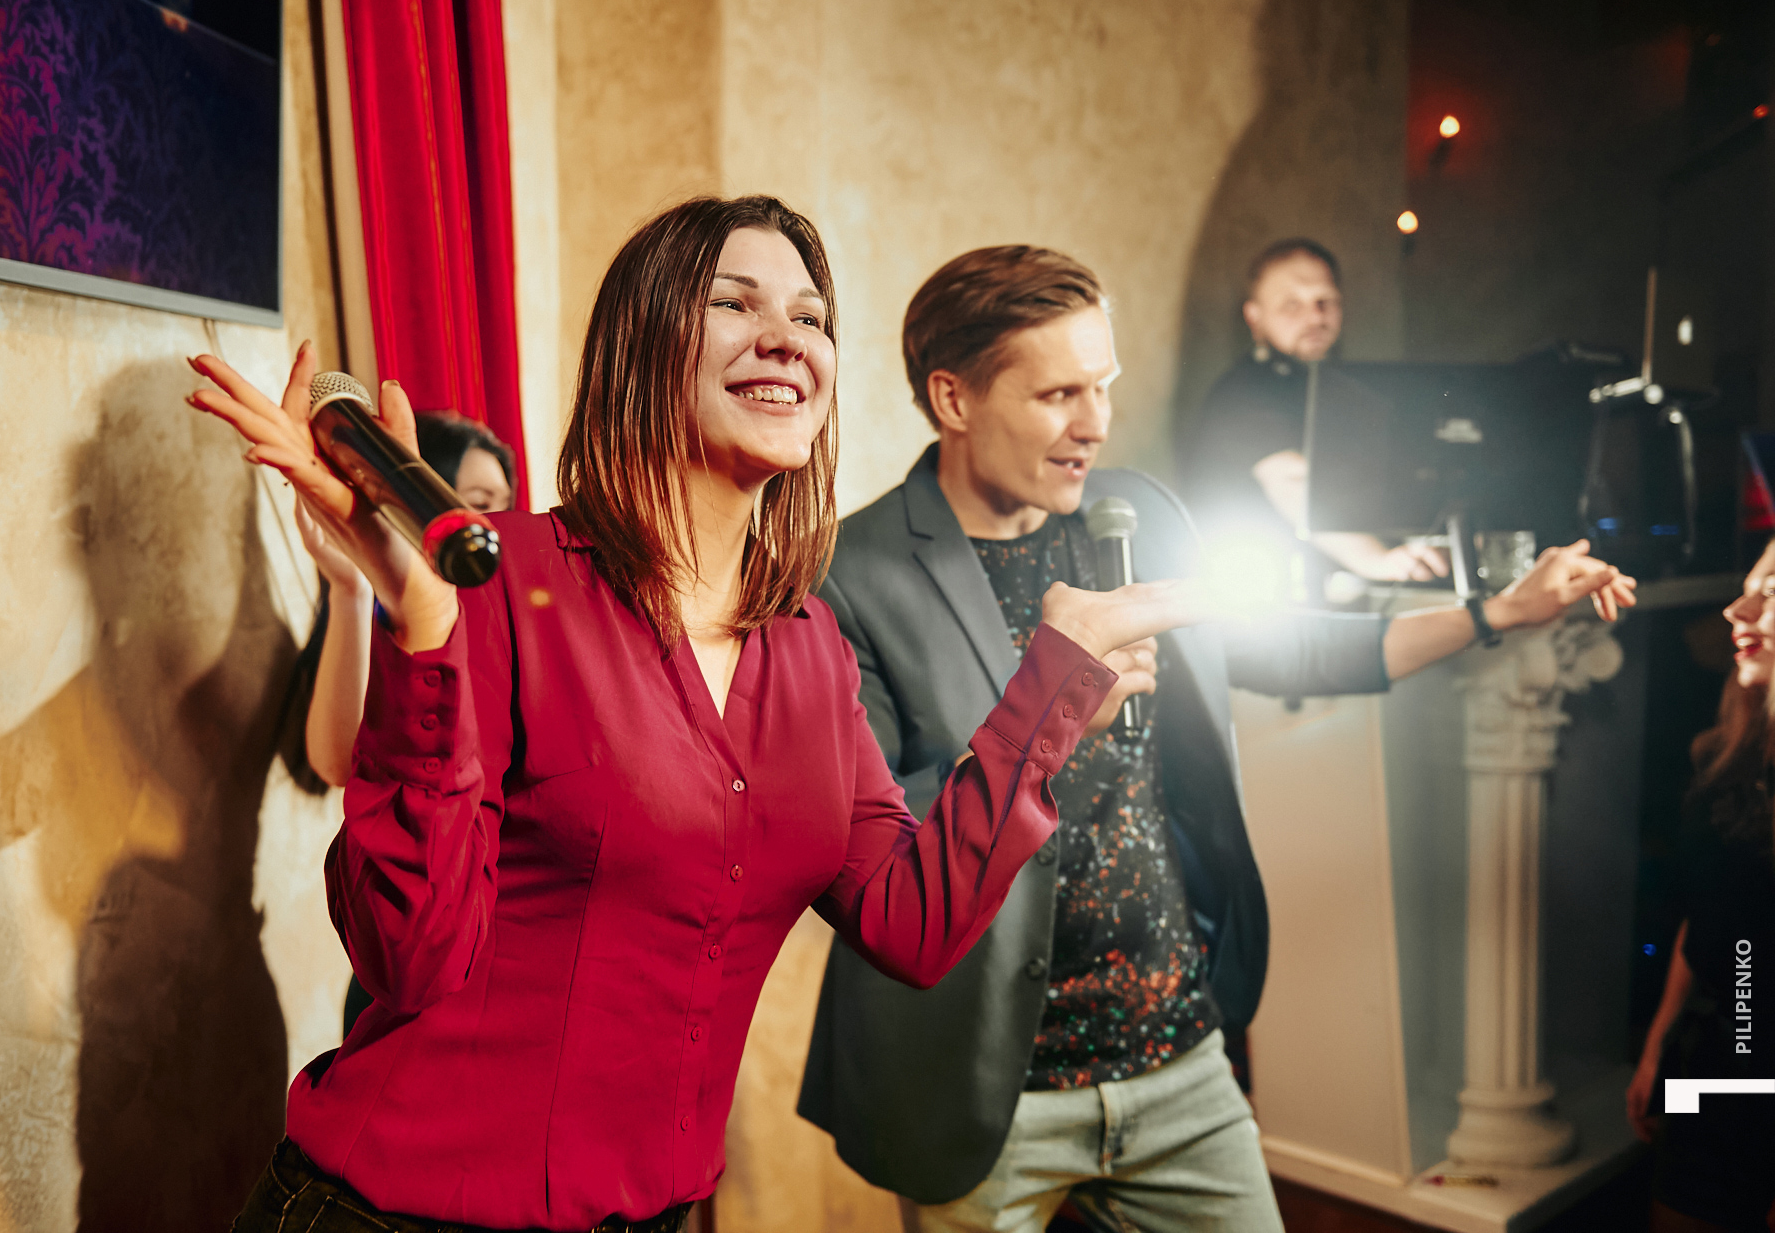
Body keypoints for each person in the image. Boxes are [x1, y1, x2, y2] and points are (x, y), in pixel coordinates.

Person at [186, 196, 1212, 1233]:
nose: (786, 337)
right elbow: (409, 957)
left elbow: (914, 923)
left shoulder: (812, 646)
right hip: (392, 1214)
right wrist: (419, 624)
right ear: (643, 347)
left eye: (810, 317)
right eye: (734, 303)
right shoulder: (501, 585)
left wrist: (1049, 692)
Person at [796, 245, 1636, 1233]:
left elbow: (1290, 645)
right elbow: (884, 866)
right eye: (1059, 394)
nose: (1095, 422)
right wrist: (1052, 714)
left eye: (1103, 384)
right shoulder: (851, 576)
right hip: (982, 1086)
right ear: (953, 397)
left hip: (1175, 1055)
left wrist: (1496, 612)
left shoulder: (1139, 514)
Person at [288, 410, 517, 1035]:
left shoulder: (524, 617)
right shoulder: (401, 620)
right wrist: (350, 588)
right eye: (476, 503)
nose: (491, 527)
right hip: (412, 962)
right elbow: (335, 759)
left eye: (503, 505)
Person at [1626, 541, 1775, 1233]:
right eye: (1746, 587)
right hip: (1714, 1059)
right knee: (1678, 1200)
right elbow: (1709, 913)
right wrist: (1658, 1046)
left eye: (1771, 593)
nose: (1737, 610)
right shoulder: (1730, 751)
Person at [1178, 237, 1447, 594]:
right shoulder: (1243, 392)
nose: (1316, 317)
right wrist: (1378, 560)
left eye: (1326, 301)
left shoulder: (1340, 391)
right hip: (1261, 606)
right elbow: (1294, 484)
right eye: (1292, 304)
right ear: (1254, 317)